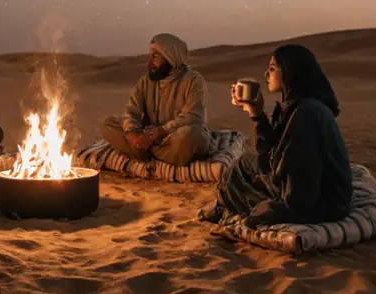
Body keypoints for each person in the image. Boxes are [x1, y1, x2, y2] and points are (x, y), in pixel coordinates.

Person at [199, 44, 353, 226]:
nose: (266, 74)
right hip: (305, 186)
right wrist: (255, 112)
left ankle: (227, 207)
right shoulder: (296, 106)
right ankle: (225, 205)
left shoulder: (306, 113)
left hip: (322, 201)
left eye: (272, 68)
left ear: (290, 71)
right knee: (243, 165)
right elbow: (267, 152)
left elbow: (300, 181)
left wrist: (272, 207)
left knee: (252, 198)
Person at [100, 33, 212, 165]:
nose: (149, 63)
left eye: (155, 57)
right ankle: (150, 151)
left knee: (190, 136)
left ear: (170, 57)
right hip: (149, 137)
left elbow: (193, 116)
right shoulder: (146, 81)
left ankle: (143, 152)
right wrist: (132, 133)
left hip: (172, 137)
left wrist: (159, 132)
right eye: (149, 57)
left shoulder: (193, 81)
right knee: (109, 125)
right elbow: (132, 111)